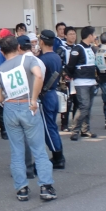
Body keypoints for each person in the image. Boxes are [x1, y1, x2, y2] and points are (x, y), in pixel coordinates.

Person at [0, 35, 57, 202]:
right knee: (38, 149)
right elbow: (39, 76)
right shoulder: (28, 61)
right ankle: (45, 186)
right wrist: (34, 99)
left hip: (10, 108)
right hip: (29, 105)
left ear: (1, 51)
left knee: (17, 151)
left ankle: (21, 188)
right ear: (19, 47)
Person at [37, 30, 65, 169]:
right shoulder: (56, 57)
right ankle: (58, 154)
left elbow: (39, 79)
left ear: (41, 41)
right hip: (53, 93)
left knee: (48, 128)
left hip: (45, 95)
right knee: (52, 125)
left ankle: (58, 157)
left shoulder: (42, 60)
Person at [67, 26, 99, 141]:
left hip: (91, 80)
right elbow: (70, 65)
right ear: (89, 35)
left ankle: (85, 130)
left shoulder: (91, 48)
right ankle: (75, 130)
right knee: (84, 106)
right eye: (94, 34)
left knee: (88, 106)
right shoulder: (77, 48)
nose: (95, 37)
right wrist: (70, 75)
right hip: (81, 81)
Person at [56, 26, 78, 132]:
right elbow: (58, 64)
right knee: (67, 102)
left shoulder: (78, 48)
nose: (73, 36)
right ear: (65, 36)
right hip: (66, 80)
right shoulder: (61, 49)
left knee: (77, 101)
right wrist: (64, 74)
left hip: (77, 79)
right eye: (70, 34)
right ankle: (64, 124)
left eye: (74, 34)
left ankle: (76, 124)